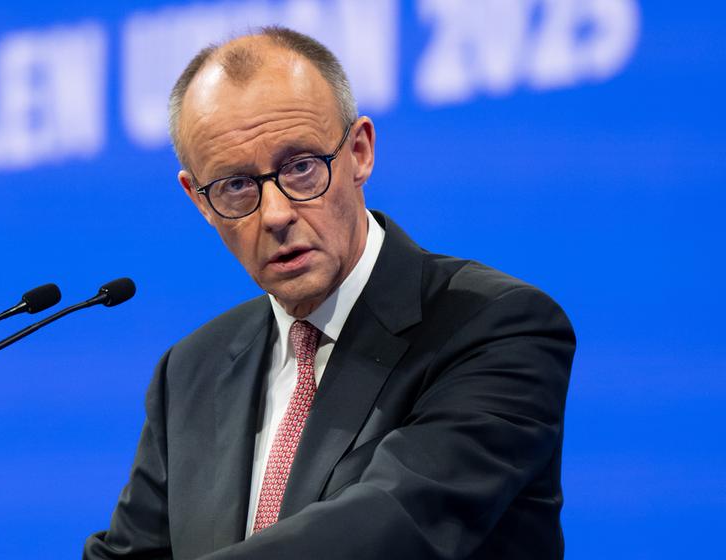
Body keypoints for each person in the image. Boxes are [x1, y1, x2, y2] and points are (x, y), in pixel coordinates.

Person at [83, 26, 574, 559]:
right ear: (199, 200)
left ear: (360, 151)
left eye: (300, 167)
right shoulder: (190, 371)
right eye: (235, 185)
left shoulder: (494, 325)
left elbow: (395, 525)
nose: (275, 214)